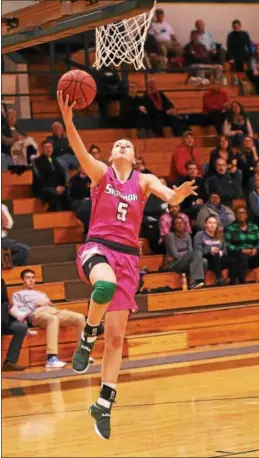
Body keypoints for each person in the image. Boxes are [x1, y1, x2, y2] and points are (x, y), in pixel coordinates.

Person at [57, 89, 197, 440]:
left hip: (128, 260)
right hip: (97, 249)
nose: (120, 146)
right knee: (102, 287)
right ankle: (88, 334)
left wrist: (176, 196)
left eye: (126, 145)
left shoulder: (144, 181)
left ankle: (102, 404)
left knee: (117, 337)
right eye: (116, 144)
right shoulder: (101, 174)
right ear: (110, 154)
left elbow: (168, 195)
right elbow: (76, 149)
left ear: (135, 157)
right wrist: (70, 121)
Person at [12, 269, 86, 368]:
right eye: (28, 278)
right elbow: (19, 312)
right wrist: (35, 304)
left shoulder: (42, 294)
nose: (31, 280)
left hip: (52, 311)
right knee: (53, 319)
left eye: (33, 277)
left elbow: (50, 305)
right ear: (23, 280)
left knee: (80, 318)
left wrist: (48, 304)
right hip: (36, 314)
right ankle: (51, 358)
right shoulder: (17, 294)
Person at [224, 206, 259, 284]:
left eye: (243, 213)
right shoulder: (230, 228)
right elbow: (227, 245)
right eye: (238, 213)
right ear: (235, 215)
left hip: (252, 256)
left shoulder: (254, 227)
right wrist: (241, 250)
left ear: (246, 215)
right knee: (242, 256)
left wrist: (255, 249)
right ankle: (241, 281)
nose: (240, 215)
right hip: (238, 257)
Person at [165, 216, 204, 289]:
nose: (180, 225)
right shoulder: (170, 236)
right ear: (173, 226)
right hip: (174, 264)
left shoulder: (187, 236)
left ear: (184, 224)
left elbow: (191, 252)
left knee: (204, 261)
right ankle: (193, 283)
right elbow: (176, 255)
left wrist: (186, 253)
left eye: (181, 223)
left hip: (185, 262)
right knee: (196, 254)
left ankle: (199, 282)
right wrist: (187, 253)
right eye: (177, 223)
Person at [33, 140, 71, 211]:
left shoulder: (55, 161)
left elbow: (61, 175)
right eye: (46, 147)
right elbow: (41, 178)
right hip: (45, 188)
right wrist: (56, 187)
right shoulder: (38, 161)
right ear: (42, 149)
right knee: (55, 196)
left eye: (50, 147)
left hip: (58, 187)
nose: (48, 149)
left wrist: (64, 186)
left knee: (70, 193)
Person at [194, 215, 231, 286]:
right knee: (215, 253)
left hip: (219, 259)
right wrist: (209, 249)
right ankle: (219, 279)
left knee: (232, 258)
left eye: (214, 223)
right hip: (206, 259)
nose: (212, 225)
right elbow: (197, 251)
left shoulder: (219, 235)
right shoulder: (200, 235)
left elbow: (225, 249)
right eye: (210, 223)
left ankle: (234, 280)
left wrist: (221, 252)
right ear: (205, 224)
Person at [1, 278, 27, 371]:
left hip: (2, 320)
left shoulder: (1, 281)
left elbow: (5, 302)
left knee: (21, 327)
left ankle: (10, 361)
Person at [68, 167, 91, 237]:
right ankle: (88, 231)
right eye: (82, 166)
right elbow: (72, 194)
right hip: (77, 201)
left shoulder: (91, 179)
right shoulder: (74, 179)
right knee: (84, 209)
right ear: (79, 168)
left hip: (90, 201)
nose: (84, 168)